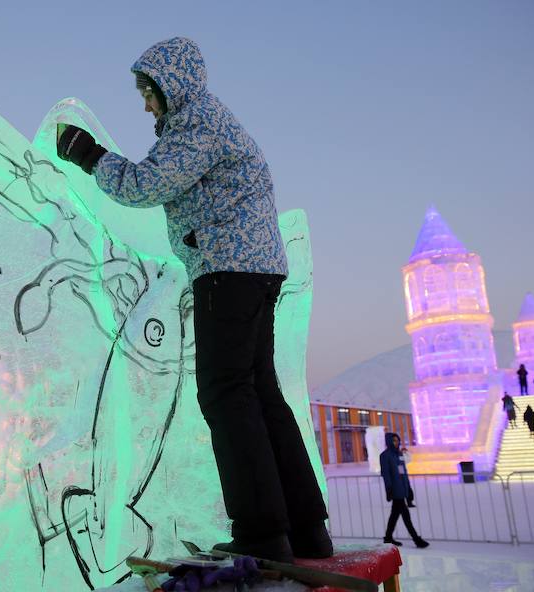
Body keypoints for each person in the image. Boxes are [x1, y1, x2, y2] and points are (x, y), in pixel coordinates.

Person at [56, 37, 331, 563]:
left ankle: (261, 530)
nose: (144, 105)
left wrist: (90, 155)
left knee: (227, 394)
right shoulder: (207, 123)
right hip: (251, 268)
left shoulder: (198, 124)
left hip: (229, 268)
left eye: (147, 92)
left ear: (170, 86)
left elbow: (144, 184)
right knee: (260, 394)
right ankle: (304, 529)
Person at [380, 433, 429, 548]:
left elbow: (404, 472)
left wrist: (408, 487)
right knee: (405, 515)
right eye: (393, 441)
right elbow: (386, 474)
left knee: (395, 514)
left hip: (403, 488)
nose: (396, 443)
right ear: (389, 442)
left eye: (397, 440)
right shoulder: (385, 455)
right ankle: (416, 539)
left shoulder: (399, 454)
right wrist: (389, 489)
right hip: (395, 490)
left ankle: (388, 537)